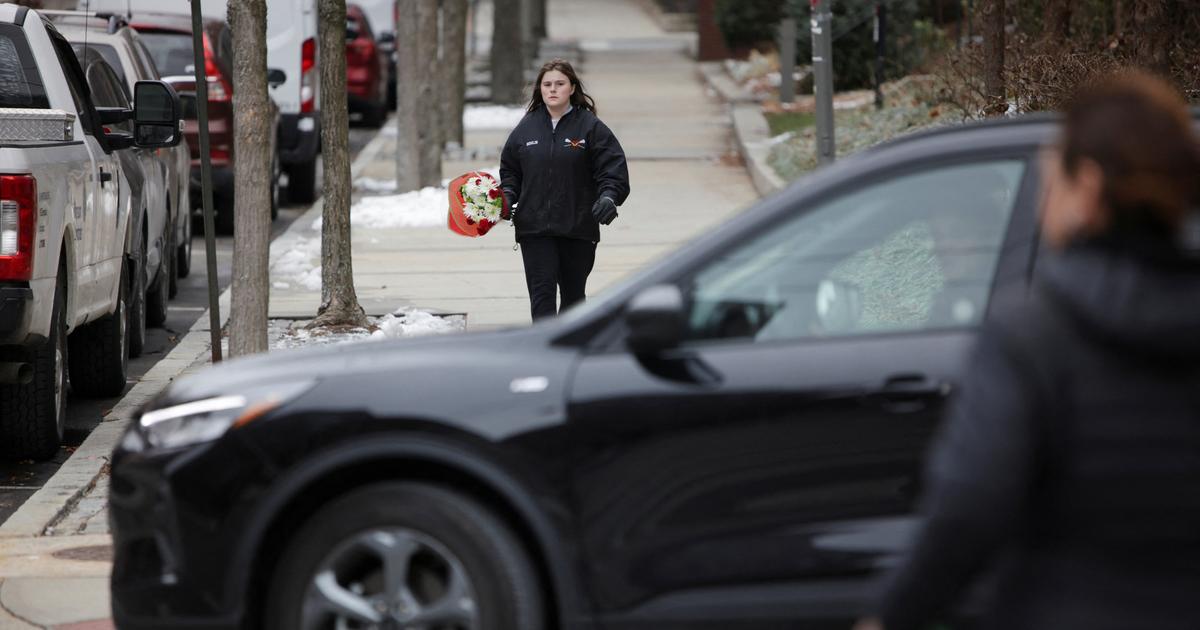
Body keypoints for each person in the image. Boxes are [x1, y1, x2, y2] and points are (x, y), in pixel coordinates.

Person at [857, 71, 1200, 630]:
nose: (1042, 200)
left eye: (1049, 182)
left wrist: (890, 618)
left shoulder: (1032, 335)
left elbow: (967, 509)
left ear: (1086, 193)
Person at [500, 59, 631, 320]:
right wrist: (506, 198)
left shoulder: (590, 127)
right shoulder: (526, 129)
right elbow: (511, 172)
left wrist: (609, 197)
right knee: (542, 295)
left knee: (573, 297)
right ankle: (543, 352)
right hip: (534, 229)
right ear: (540, 89)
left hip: (577, 227)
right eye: (547, 84)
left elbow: (613, 169)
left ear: (572, 88)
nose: (553, 89)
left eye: (559, 84)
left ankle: (569, 350)